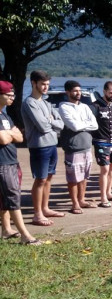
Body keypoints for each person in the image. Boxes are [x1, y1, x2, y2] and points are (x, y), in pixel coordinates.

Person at [20, 70, 65, 226]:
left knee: (49, 177)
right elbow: (42, 126)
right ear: (34, 83)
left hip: (52, 144)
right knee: (40, 179)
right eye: (43, 84)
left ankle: (45, 208)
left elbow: (61, 124)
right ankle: (37, 214)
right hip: (39, 147)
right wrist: (51, 121)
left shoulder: (46, 103)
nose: (46, 87)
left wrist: (51, 121)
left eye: (47, 84)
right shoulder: (29, 103)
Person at [0, 81, 41, 245]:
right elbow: (3, 138)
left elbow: (19, 136)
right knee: (13, 198)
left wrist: (9, 134)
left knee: (5, 198)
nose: (12, 97)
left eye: (13, 94)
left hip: (11, 161)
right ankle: (25, 235)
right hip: (2, 164)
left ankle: (6, 229)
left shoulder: (5, 115)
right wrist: (10, 134)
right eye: (8, 94)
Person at [58, 80, 99, 214]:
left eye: (80, 91)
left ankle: (82, 199)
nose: (78, 93)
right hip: (73, 147)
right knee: (73, 177)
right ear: (68, 92)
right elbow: (73, 126)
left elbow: (95, 125)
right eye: (75, 91)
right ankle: (74, 203)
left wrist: (80, 124)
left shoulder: (85, 107)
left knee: (84, 176)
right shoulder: (64, 107)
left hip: (87, 145)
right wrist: (84, 124)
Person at [91, 81, 112, 207]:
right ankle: (103, 197)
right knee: (104, 169)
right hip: (101, 141)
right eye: (111, 93)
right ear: (104, 91)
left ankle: (109, 192)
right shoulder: (95, 106)